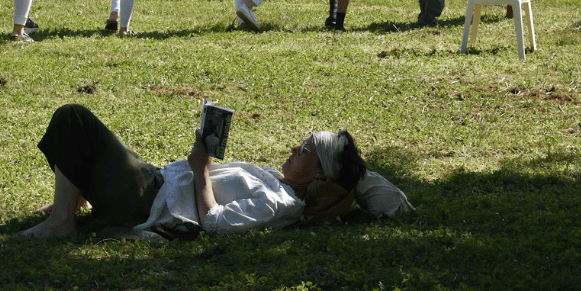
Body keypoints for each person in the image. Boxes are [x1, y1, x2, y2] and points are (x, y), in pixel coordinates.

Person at [20, 103, 414, 239]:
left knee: (75, 120)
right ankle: (71, 203)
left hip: (153, 202)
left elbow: (216, 224)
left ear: (319, 177)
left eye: (306, 149)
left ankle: (62, 221)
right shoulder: (278, 181)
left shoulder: (282, 204)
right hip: (157, 184)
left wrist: (202, 170)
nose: (295, 149)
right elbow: (364, 181)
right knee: (80, 133)